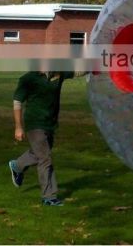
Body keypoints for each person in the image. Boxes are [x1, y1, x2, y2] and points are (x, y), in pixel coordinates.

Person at [9, 71, 86, 206]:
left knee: (38, 153)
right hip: (34, 122)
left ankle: (17, 166)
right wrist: (18, 127)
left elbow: (79, 71)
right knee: (45, 158)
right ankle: (49, 197)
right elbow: (17, 101)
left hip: (49, 123)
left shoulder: (59, 72)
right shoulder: (29, 78)